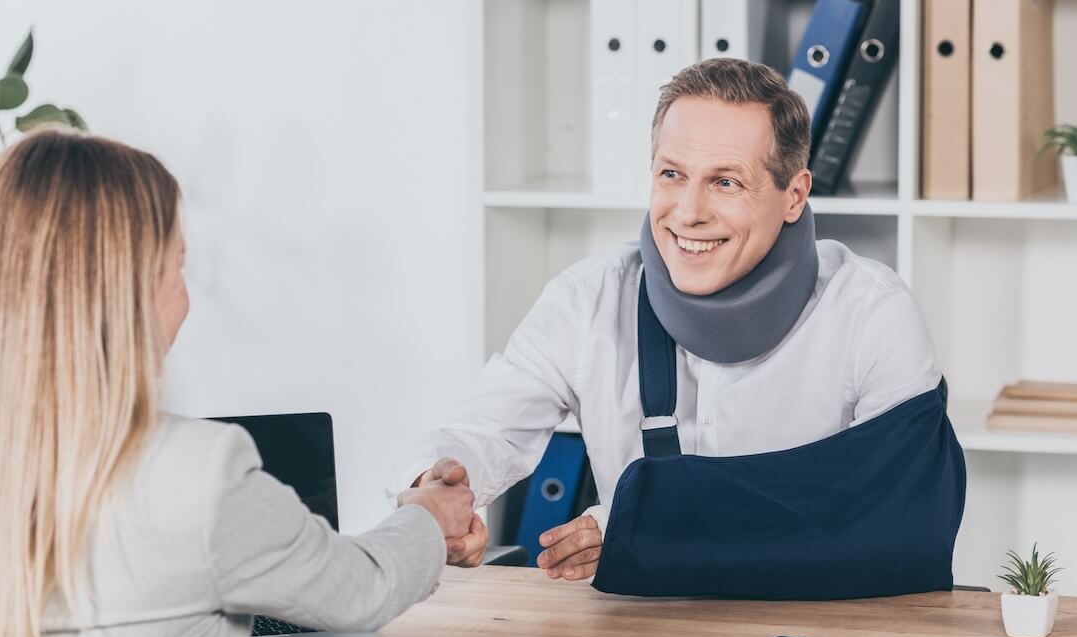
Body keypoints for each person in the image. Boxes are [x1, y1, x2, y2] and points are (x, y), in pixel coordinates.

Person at [392, 58, 942, 581]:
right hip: (645, 632)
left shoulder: (872, 314)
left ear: (794, 194)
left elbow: (895, 515)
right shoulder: (590, 300)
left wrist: (644, 527)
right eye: (672, 174)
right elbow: (485, 427)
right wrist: (438, 487)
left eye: (726, 181)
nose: (688, 211)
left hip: (826, 633)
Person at [0, 129, 475, 637]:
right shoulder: (194, 470)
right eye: (178, 267)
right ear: (130, 293)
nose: (184, 297)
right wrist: (429, 516)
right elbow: (360, 591)